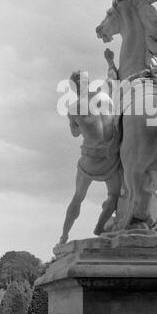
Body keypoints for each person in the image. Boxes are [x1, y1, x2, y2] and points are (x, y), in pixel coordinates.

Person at [59, 49, 122, 244]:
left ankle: (64, 237)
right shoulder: (105, 97)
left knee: (78, 197)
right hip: (110, 158)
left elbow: (75, 133)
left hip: (89, 160)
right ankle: (100, 226)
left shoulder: (73, 108)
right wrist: (110, 61)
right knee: (113, 196)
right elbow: (113, 77)